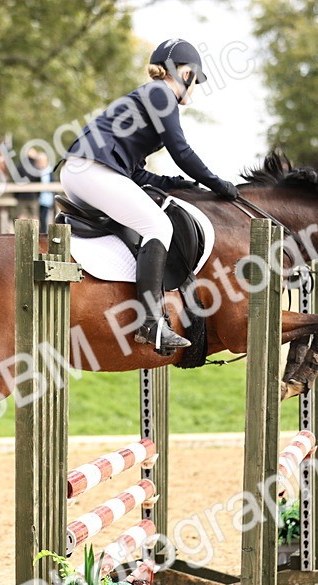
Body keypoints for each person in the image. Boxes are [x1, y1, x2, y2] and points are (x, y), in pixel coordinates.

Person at [60, 38, 239, 353]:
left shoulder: (147, 96)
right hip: (92, 170)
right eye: (194, 80)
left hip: (85, 170)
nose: (193, 87)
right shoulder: (161, 94)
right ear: (185, 73)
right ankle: (151, 323)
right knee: (159, 227)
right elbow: (181, 150)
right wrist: (216, 183)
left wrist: (176, 183)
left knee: (149, 219)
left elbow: (136, 172)